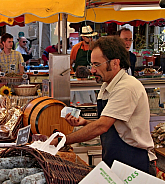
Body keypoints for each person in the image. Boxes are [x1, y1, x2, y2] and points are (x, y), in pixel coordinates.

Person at [51, 36, 157, 176]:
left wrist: (63, 140)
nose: (92, 70)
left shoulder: (126, 87)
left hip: (134, 163)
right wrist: (85, 123)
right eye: (92, 65)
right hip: (115, 160)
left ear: (115, 63)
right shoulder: (107, 85)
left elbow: (103, 126)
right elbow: (114, 125)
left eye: (97, 64)